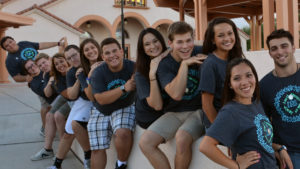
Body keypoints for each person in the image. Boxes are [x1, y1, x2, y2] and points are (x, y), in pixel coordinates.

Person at [139, 21, 205, 169]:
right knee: (146, 142)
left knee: (181, 138)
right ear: (171, 43)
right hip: (175, 112)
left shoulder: (200, 51)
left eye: (188, 40)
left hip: (199, 110)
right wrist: (184, 64)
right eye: (179, 42)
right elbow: (176, 94)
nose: (185, 46)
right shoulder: (164, 64)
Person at [199, 58, 277, 169]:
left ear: (255, 77)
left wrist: (278, 149)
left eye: (249, 75)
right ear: (230, 84)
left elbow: (259, 140)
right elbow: (205, 146)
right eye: (237, 78)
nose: (244, 82)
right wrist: (236, 166)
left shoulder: (256, 103)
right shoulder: (231, 111)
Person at [88, 37, 136, 169]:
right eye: (107, 53)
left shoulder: (133, 66)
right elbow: (101, 99)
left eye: (115, 51)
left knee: (123, 132)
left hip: (124, 105)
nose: (112, 55)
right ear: (103, 56)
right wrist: (123, 88)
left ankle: (121, 164)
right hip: (101, 109)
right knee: (97, 148)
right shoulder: (98, 73)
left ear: (121, 51)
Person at [260, 29, 300, 169]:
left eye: (284, 46)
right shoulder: (264, 86)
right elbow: (261, 125)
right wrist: (277, 148)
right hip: (290, 154)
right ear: (270, 53)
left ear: (293, 48)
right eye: (274, 48)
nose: (280, 52)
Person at [200, 17, 244, 128]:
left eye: (230, 33)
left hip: (238, 118)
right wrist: (220, 130)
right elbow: (207, 106)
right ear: (213, 40)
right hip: (220, 123)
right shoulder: (210, 64)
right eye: (221, 35)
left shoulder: (236, 60)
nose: (227, 38)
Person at [31, 53, 71, 161]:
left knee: (58, 116)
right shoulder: (48, 74)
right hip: (64, 96)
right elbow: (47, 94)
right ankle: (47, 149)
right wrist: (49, 82)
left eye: (44, 62)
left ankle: (63, 149)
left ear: (49, 59)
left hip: (72, 97)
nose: (43, 66)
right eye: (40, 66)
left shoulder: (65, 68)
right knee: (49, 115)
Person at [134, 28, 169, 129]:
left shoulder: (170, 58)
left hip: (169, 112)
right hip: (149, 117)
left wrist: (163, 55)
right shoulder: (140, 73)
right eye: (147, 44)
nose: (153, 46)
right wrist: (152, 74)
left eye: (155, 41)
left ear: (161, 41)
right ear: (143, 49)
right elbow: (157, 106)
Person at [0, 36, 65, 82]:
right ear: (6, 49)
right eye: (7, 46)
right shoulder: (9, 61)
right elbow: (15, 77)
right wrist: (26, 78)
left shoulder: (23, 43)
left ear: (14, 40)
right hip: (39, 79)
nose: (10, 45)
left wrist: (58, 43)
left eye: (10, 42)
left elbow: (41, 45)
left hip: (49, 70)